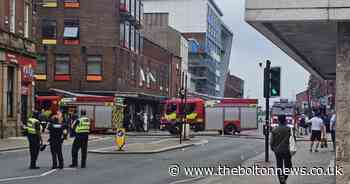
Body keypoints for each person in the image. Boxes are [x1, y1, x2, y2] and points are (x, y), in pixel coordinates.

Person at [270, 115, 294, 184]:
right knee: (288, 166)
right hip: (287, 150)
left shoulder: (274, 130)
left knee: (279, 166)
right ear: (285, 120)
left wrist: (273, 148)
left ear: (279, 121)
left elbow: (272, 142)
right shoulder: (289, 129)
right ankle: (284, 177)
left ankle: (281, 181)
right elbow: (293, 139)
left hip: (277, 151)